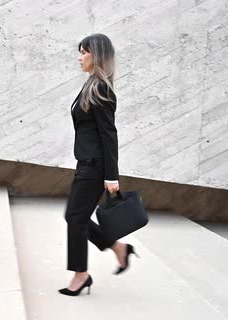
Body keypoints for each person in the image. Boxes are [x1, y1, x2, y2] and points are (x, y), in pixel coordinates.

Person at [58, 33, 138, 297]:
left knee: (75, 217)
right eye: (80, 52)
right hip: (86, 163)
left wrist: (111, 176)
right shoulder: (91, 85)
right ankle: (117, 248)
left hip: (94, 166)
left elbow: (109, 134)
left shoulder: (101, 88)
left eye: (84, 52)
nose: (80, 57)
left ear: (97, 55)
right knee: (76, 216)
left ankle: (81, 274)